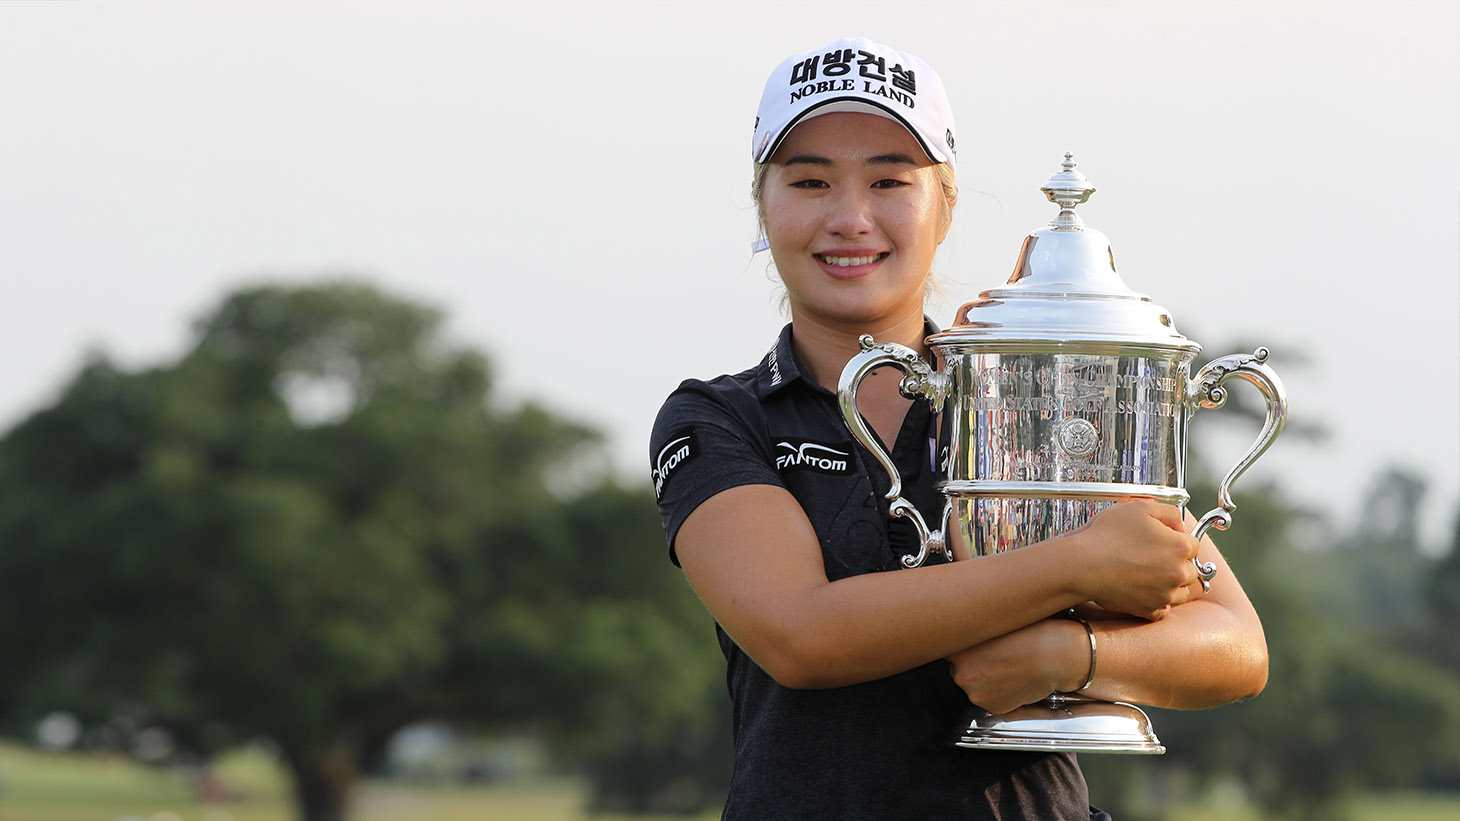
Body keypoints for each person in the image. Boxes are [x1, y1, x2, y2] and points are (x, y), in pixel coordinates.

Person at [649, 37, 1267, 820]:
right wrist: (1075, 565)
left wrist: (1075, 654)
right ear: (763, 206)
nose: (849, 217)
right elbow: (801, 636)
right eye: (809, 181)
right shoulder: (718, 418)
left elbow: (1236, 646)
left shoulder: (1028, 389)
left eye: (888, 180)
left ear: (944, 205)